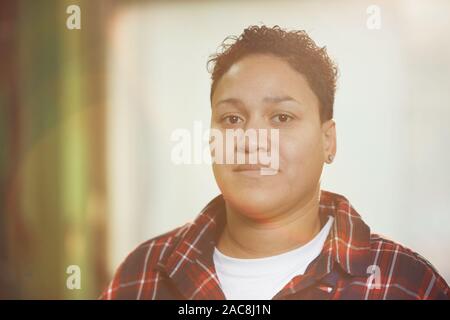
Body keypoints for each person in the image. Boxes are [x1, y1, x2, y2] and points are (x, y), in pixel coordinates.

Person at [101, 25, 449, 300]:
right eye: (232, 119)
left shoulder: (404, 284)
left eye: (281, 118)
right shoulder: (143, 274)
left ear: (328, 141)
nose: (253, 140)